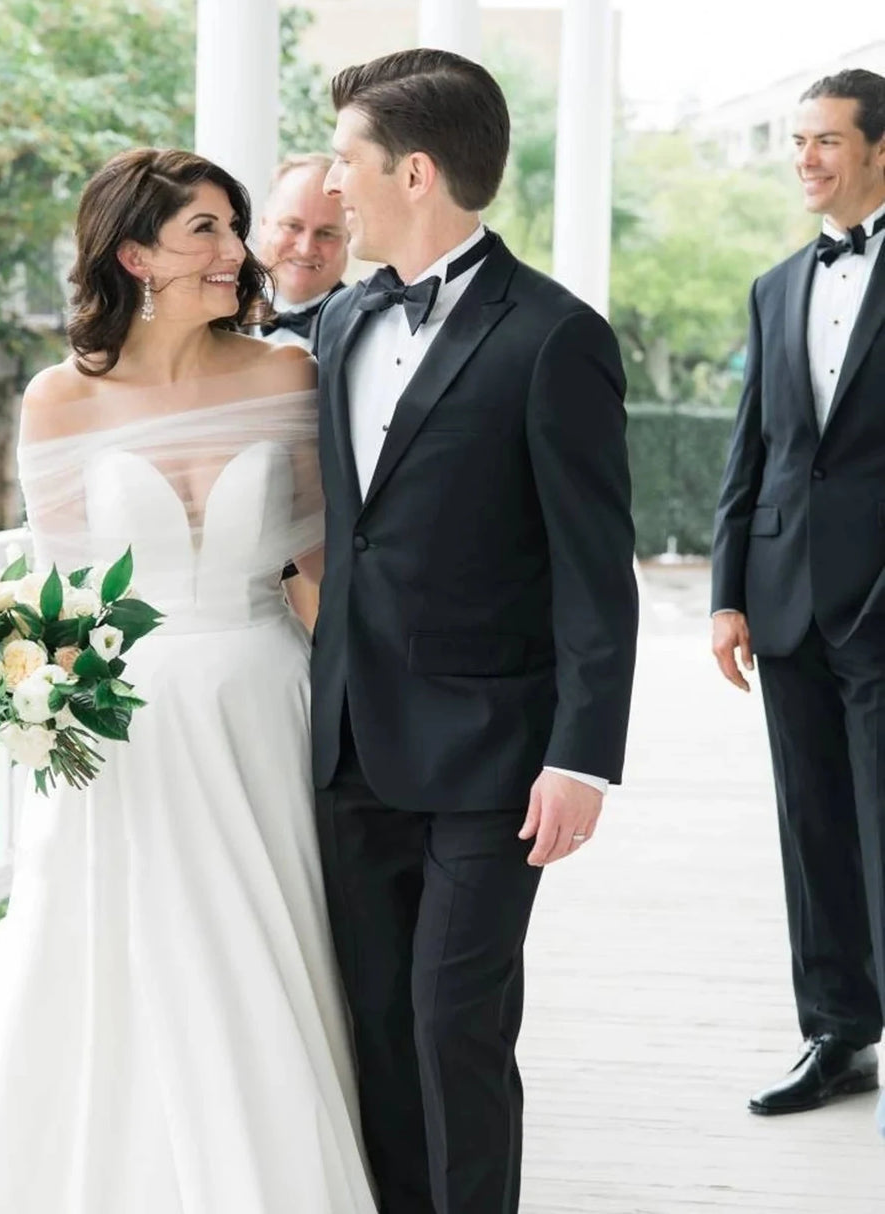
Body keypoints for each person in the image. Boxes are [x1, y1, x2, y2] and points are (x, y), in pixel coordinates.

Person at [0, 147, 377, 1213]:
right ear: (133, 253)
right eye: (207, 231)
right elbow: (53, 599)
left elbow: (325, 568)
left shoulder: (287, 373)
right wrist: (18, 692)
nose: (242, 249)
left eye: (237, 227)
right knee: (124, 977)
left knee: (262, 965)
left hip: (263, 707)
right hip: (119, 733)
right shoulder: (58, 401)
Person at [311, 50, 638, 1214]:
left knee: (456, 1020)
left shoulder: (554, 336)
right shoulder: (338, 320)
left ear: (411, 169)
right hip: (349, 744)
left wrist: (581, 753)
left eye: (343, 158)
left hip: (492, 753)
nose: (328, 181)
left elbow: (596, 572)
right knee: (379, 1026)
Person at [711, 69, 885, 1137]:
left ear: (877, 150)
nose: (804, 160)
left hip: (879, 598)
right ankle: (835, 1031)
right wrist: (727, 592)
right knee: (810, 823)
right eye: (796, 142)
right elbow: (754, 450)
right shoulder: (775, 284)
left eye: (824, 141)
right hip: (783, 602)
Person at [254, 153, 349, 351]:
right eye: (292, 226)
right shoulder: (214, 315)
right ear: (263, 224)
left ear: (349, 237)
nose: (305, 249)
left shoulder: (371, 327)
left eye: (326, 233)